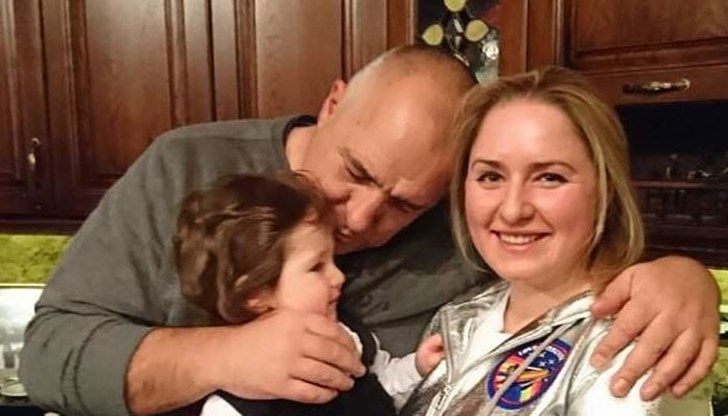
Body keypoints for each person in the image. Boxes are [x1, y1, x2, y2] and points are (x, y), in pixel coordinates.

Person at [19, 45, 718, 416]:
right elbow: (48, 357)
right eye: (354, 172)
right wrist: (225, 357)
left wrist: (681, 277)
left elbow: (565, 260)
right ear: (332, 103)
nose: (357, 220)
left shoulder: (466, 240)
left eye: (403, 206)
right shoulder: (184, 167)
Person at [400, 66, 711, 415]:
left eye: (549, 177)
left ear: (606, 190)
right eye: (490, 176)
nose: (513, 209)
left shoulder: (634, 342)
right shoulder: (462, 316)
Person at [173, 172, 442, 415]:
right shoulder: (232, 407)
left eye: (332, 260)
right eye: (316, 267)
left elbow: (381, 387)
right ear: (255, 294)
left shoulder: (347, 335)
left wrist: (417, 369)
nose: (338, 277)